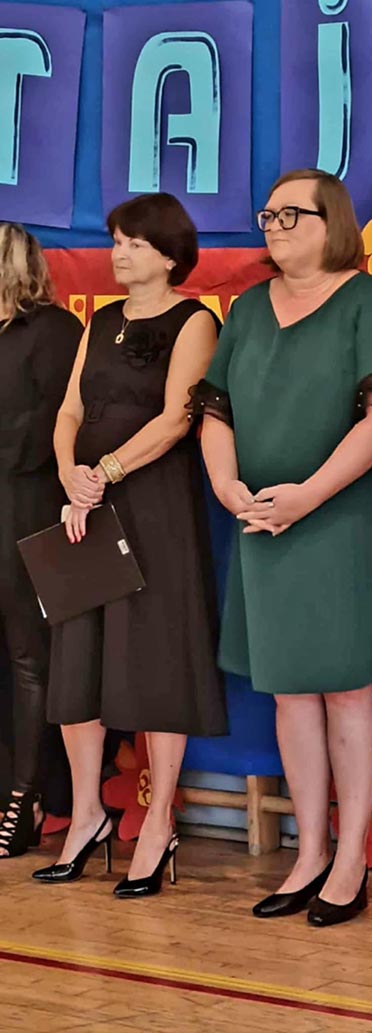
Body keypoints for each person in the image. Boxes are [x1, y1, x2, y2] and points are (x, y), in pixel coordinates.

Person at [193, 168, 372, 927]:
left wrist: (307, 496)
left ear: (333, 222)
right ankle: (309, 852)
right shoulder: (247, 308)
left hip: (343, 519)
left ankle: (352, 855)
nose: (273, 226)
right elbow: (214, 409)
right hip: (264, 519)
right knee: (289, 689)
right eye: (266, 214)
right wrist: (227, 484)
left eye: (290, 214)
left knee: (345, 686)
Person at [33, 193, 227, 897]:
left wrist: (107, 471)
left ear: (170, 255)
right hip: (84, 506)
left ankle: (157, 822)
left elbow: (178, 417)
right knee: (77, 660)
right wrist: (70, 473)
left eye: (134, 243)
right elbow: (69, 410)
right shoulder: (102, 320)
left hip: (153, 505)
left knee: (156, 657)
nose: (119, 253)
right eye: (115, 240)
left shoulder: (194, 320)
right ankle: (87, 815)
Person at [0, 224, 82, 857]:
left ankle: (26, 797)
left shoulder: (53, 332)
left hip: (25, 507)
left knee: (31, 656)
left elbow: (51, 430)